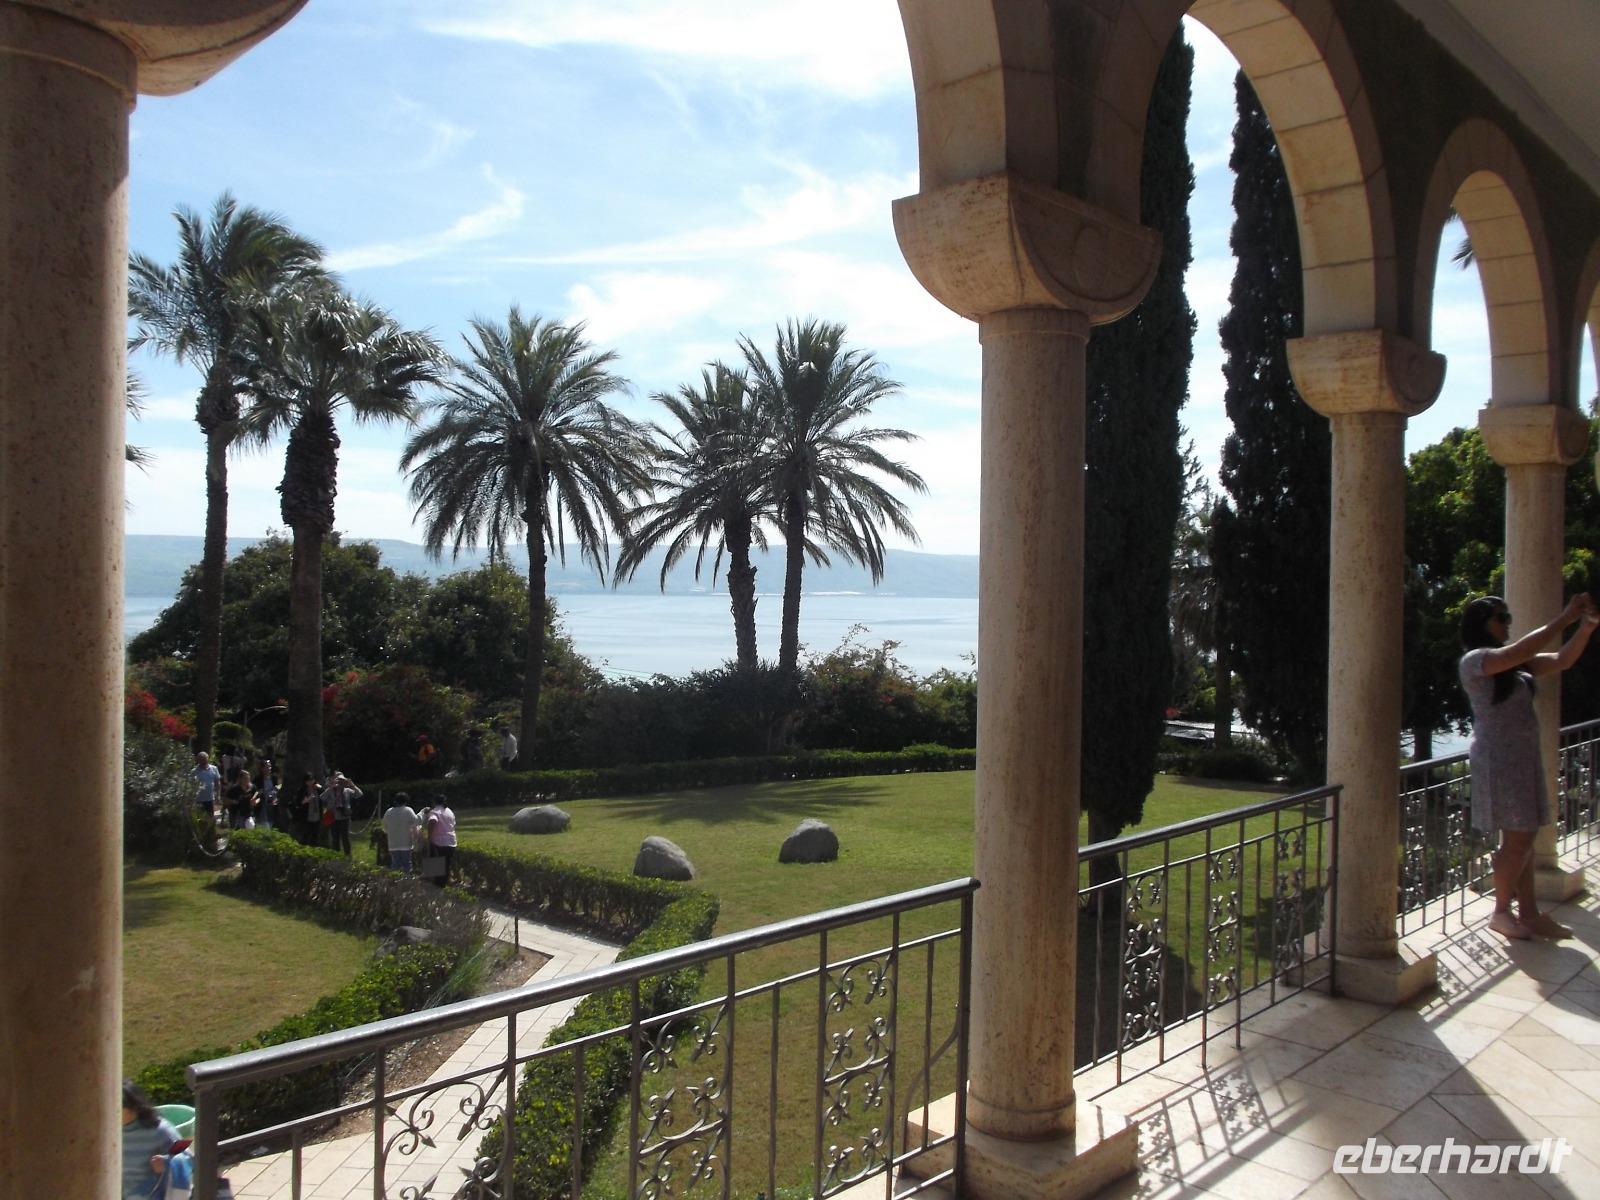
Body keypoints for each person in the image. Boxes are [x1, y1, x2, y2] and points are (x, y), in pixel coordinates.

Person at [1459, 593, 1599, 939]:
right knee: (1520, 837)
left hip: (1521, 757)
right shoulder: (1475, 660)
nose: (1507, 623)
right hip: (1498, 760)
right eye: (1500, 617)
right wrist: (1564, 618)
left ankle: (1530, 913)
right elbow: (1519, 651)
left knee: (1522, 835)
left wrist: (1586, 627)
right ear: (1482, 625)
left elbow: (1563, 660)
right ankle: (1501, 911)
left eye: (1508, 616)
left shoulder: (1515, 667)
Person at [121, 1079, 177, 1199]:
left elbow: (189, 1159)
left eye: (118, 1107)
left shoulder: (160, 1130)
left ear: (134, 1107)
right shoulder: (109, 1134)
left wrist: (166, 1164)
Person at [320, 771, 362, 857]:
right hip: (333, 817)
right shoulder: (330, 790)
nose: (340, 783)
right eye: (338, 780)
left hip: (345, 817)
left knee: (345, 838)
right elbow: (322, 798)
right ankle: (336, 856)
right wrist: (331, 787)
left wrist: (352, 785)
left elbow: (359, 794)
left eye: (341, 781)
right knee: (335, 838)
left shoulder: (347, 790)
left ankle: (348, 856)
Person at [383, 793, 422, 871]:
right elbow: (416, 822)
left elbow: (385, 828)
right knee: (407, 864)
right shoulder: (408, 810)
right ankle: (407, 881)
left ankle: (394, 881)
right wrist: (422, 813)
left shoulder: (388, 812)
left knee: (395, 864)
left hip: (393, 844)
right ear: (406, 801)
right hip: (405, 843)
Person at [424, 796, 457, 886]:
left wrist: (429, 837)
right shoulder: (449, 811)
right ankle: (442, 884)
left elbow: (433, 821)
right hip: (451, 841)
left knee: (436, 865)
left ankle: (435, 885)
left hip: (438, 841)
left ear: (434, 802)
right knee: (446, 865)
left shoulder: (434, 812)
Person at [191, 752, 221, 822]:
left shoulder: (214, 768)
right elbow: (191, 786)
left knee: (210, 817)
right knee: (199, 818)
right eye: (201, 760)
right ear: (198, 760)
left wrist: (218, 795)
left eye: (204, 759)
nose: (203, 761)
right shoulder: (194, 771)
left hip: (210, 798)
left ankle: (210, 831)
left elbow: (217, 782)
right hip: (199, 799)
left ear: (207, 759)